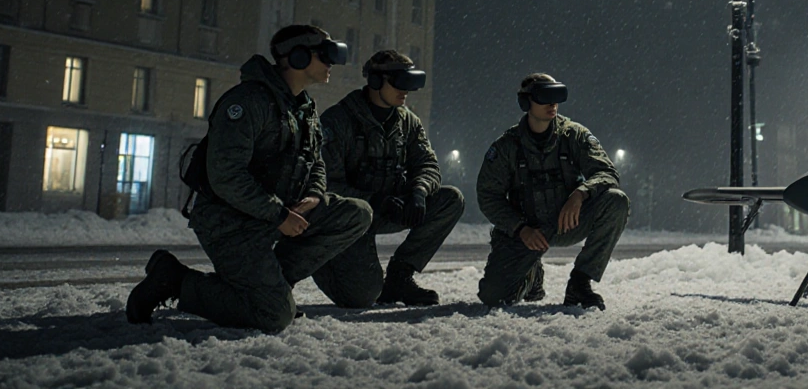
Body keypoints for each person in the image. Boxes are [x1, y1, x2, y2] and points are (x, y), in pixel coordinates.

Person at [126, 25, 373, 331]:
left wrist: (314, 196)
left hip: (276, 213)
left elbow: (316, 163)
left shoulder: (303, 107)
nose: (331, 63)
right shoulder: (247, 103)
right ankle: (175, 280)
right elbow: (226, 176)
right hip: (231, 222)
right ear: (296, 57)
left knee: (355, 213)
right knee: (273, 316)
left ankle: (274, 286)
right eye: (324, 55)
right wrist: (279, 214)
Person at [311, 50, 465, 307]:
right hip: (351, 218)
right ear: (374, 81)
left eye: (409, 82)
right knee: (362, 297)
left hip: (393, 208)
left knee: (450, 199)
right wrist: (374, 200)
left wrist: (419, 191)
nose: (405, 91)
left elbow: (427, 164)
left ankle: (400, 276)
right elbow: (325, 185)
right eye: (398, 82)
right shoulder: (338, 121)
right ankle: (325, 259)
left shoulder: (408, 121)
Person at [475, 73, 629, 309]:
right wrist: (519, 228)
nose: (552, 103)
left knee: (616, 201)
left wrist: (581, 193)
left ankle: (580, 283)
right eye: (544, 96)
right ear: (526, 102)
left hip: (566, 221)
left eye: (556, 96)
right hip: (526, 231)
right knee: (493, 297)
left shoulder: (574, 135)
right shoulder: (507, 146)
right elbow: (488, 196)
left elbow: (607, 173)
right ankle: (531, 276)